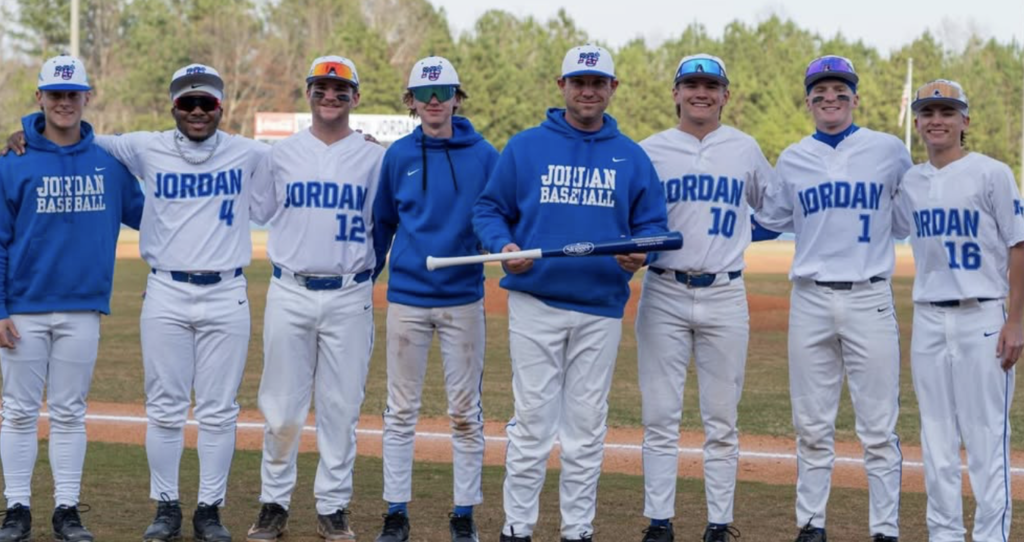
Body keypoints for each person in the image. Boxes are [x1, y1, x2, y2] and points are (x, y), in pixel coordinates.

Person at [473, 44, 669, 542]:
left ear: (612, 88)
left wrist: (639, 252)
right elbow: (489, 211)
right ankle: (517, 528)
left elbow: (652, 226)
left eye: (597, 82)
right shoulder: (525, 147)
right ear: (562, 86)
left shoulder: (631, 156)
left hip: (600, 308)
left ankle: (577, 531)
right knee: (533, 425)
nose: (588, 90)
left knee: (585, 430)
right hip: (535, 302)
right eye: (578, 81)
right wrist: (504, 244)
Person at [755, 55, 911, 542]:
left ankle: (885, 529)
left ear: (855, 98)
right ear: (808, 101)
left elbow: (906, 220)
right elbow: (773, 218)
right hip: (811, 299)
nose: (830, 98)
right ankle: (811, 525)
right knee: (812, 424)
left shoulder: (888, 150)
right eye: (820, 91)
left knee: (879, 428)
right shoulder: (794, 156)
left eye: (840, 90)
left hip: (870, 296)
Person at [0, 54, 144, 542]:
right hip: (23, 307)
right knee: (18, 411)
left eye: (73, 94)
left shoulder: (108, 161)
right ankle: (16, 508)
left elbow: (154, 216)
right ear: (39, 97)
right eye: (55, 94)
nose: (64, 102)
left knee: (68, 411)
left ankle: (66, 510)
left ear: (87, 97)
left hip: (83, 307)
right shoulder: (12, 162)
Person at [635, 53, 777, 542]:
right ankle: (659, 521)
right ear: (675, 92)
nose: (701, 92)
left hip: (725, 292)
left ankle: (719, 523)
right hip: (663, 290)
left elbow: (775, 207)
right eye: (691, 84)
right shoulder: (650, 150)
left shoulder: (744, 148)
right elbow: (630, 215)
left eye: (711, 85)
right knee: (659, 415)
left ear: (725, 94)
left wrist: (740, 235)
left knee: (721, 419)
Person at [243, 56, 384, 542]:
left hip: (350, 293)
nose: (331, 96)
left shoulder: (374, 157)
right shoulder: (279, 155)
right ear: (308, 92)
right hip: (290, 289)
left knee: (341, 408)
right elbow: (255, 207)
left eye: (340, 90)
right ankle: (273, 504)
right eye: (321, 88)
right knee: (281, 410)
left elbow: (384, 222)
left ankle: (333, 507)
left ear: (355, 98)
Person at [370, 56, 498, 542]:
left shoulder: (486, 155)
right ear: (411, 101)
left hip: (463, 298)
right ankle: (395, 513)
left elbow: (503, 213)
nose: (435, 101)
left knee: (465, 412)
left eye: (443, 92)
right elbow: (383, 223)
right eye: (424, 94)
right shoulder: (398, 156)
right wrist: (369, 280)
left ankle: (463, 514)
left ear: (457, 97)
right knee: (400, 411)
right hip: (407, 297)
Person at [894, 79, 1021, 542]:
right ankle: (944, 534)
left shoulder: (992, 173)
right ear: (918, 122)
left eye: (947, 112)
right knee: (937, 440)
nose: (937, 121)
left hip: (982, 316)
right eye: (928, 113)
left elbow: (1018, 245)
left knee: (987, 437)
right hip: (928, 318)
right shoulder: (911, 180)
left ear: (965, 120)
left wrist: (1016, 320)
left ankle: (991, 537)